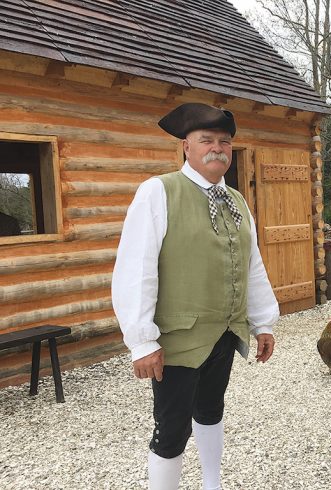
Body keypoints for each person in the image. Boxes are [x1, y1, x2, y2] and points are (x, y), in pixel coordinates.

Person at [111, 103, 279, 490]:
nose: (217, 148)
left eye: (224, 142)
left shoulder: (236, 201)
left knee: (211, 410)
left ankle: (212, 484)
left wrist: (263, 321)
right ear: (187, 146)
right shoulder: (158, 191)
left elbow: (251, 263)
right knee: (172, 428)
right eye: (206, 140)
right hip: (177, 339)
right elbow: (135, 268)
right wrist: (141, 341)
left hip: (225, 332)